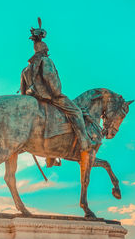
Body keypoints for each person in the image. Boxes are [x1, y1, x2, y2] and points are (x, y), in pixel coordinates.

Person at [20, 18, 93, 167]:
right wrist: (57, 93)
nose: (48, 52)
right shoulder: (46, 61)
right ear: (45, 51)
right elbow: (51, 80)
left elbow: (22, 89)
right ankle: (85, 143)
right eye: (47, 51)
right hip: (49, 96)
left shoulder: (26, 69)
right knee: (76, 112)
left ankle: (51, 157)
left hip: (33, 98)